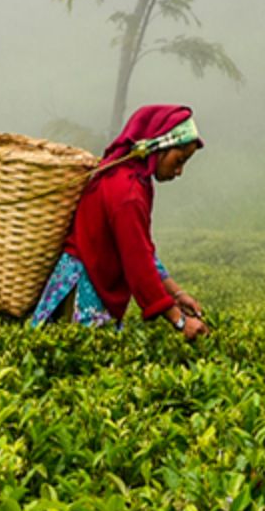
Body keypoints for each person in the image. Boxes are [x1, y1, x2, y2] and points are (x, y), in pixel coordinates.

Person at [28, 104, 210, 340]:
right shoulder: (128, 192)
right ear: (159, 146)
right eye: (179, 159)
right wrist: (180, 321)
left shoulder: (130, 176)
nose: (179, 171)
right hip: (84, 287)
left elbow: (141, 247)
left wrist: (177, 294)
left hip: (86, 279)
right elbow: (138, 262)